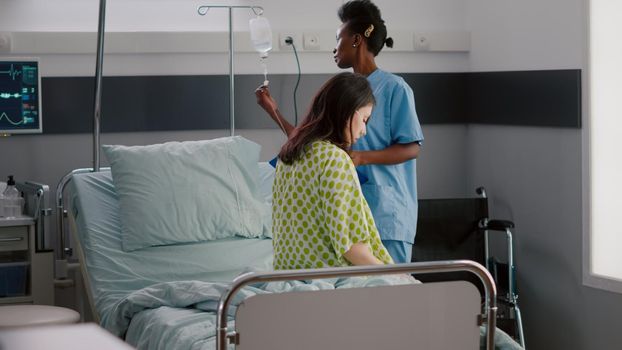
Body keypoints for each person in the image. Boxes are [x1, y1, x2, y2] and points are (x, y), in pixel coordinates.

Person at [256, 0, 424, 263]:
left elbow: (412, 147)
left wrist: (360, 158)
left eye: (338, 39)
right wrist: (273, 110)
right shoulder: (341, 90)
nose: (334, 49)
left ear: (357, 39)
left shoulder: (395, 89)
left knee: (391, 291)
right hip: (343, 210)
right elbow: (309, 140)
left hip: (385, 212)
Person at [271, 72, 393, 269]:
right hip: (329, 280)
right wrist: (395, 274)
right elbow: (351, 248)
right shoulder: (334, 159)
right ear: (348, 113)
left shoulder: (289, 156)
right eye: (364, 119)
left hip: (288, 275)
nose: (364, 130)